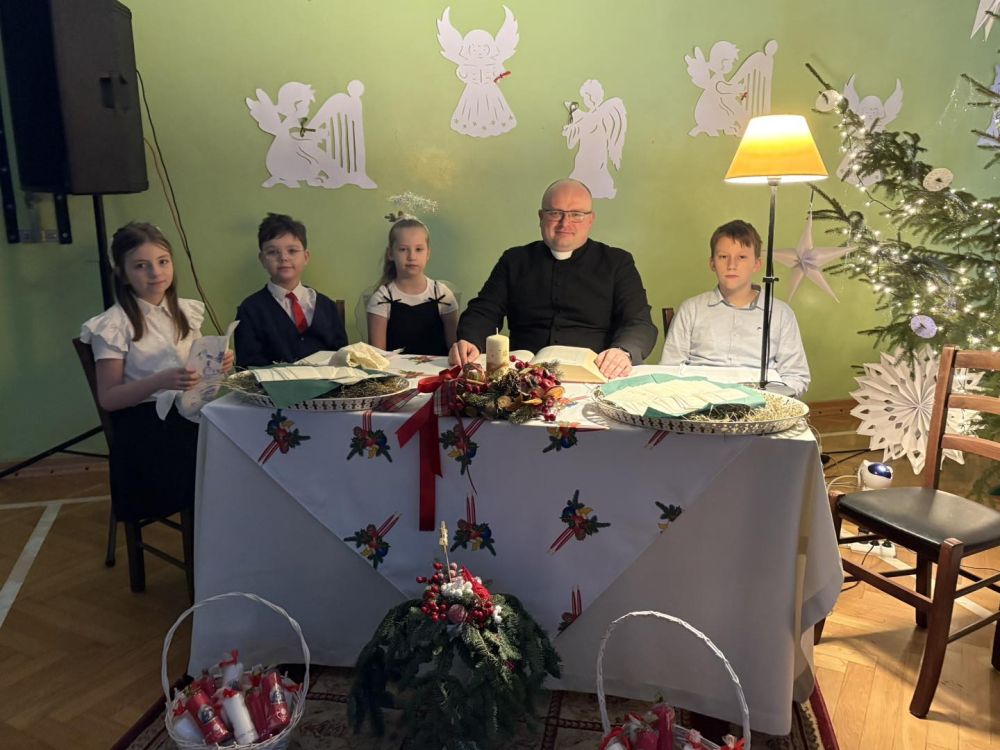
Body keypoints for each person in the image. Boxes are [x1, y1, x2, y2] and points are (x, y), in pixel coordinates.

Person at [79, 222, 233, 522]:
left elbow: (197, 370)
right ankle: (208, 532)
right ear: (122, 273)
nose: (155, 272)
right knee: (212, 464)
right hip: (145, 425)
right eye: (141, 266)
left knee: (239, 442)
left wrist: (217, 363)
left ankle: (223, 534)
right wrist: (160, 381)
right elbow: (109, 397)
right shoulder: (114, 325)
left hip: (189, 411)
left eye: (163, 262)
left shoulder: (186, 312)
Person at [450, 179, 656, 378]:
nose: (565, 223)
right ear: (541, 217)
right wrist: (470, 340)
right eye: (555, 213)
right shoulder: (514, 260)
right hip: (523, 376)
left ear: (590, 219)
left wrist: (623, 351)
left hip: (595, 374)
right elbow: (484, 311)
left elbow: (640, 323)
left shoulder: (617, 262)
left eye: (576, 214)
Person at [659, 219, 810, 397]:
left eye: (742, 257)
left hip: (760, 402)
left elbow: (796, 377)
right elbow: (669, 369)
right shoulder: (691, 310)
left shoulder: (780, 314)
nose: (732, 265)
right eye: (723, 257)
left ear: (757, 264)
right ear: (712, 263)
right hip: (700, 400)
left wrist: (769, 399)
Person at [235, 213, 347, 366]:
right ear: (262, 259)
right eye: (272, 252)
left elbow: (343, 358)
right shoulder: (250, 310)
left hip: (326, 380)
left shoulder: (327, 307)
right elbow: (247, 365)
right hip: (272, 382)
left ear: (306, 257)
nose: (283, 258)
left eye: (292, 251)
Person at [366, 215, 459, 355]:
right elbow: (378, 357)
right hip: (394, 369)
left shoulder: (443, 295)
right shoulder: (381, 299)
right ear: (390, 253)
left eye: (419, 249)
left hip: (438, 369)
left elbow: (455, 350)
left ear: (428, 254)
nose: (411, 257)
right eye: (403, 249)